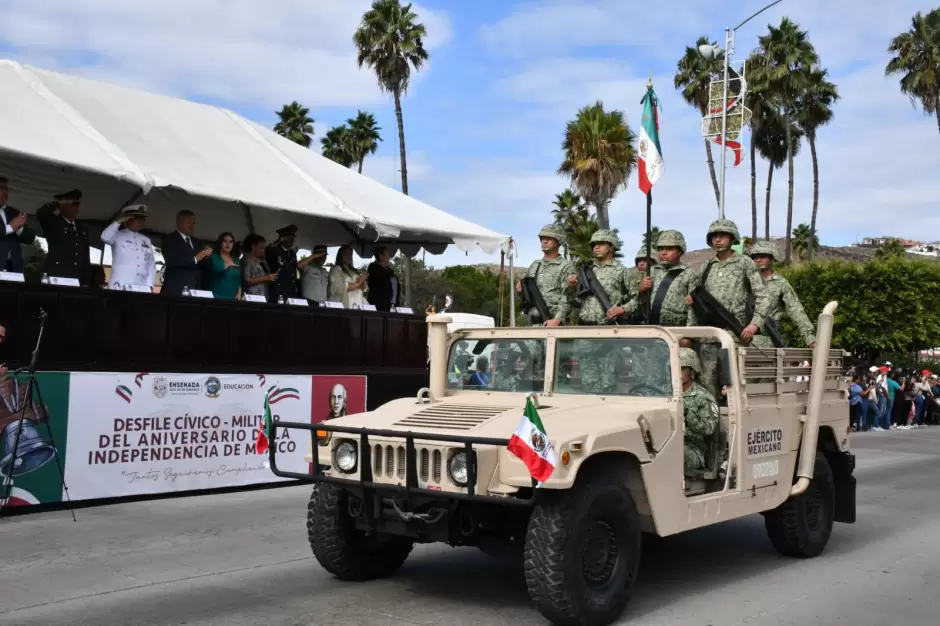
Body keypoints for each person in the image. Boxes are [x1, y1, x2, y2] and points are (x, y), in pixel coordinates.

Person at [693, 219, 771, 397]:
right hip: (709, 335)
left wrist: (754, 325)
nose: (717, 239)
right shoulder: (706, 267)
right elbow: (700, 300)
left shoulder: (744, 263)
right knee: (707, 384)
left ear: (732, 238)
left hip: (735, 334)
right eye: (714, 236)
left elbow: (762, 296)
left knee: (735, 383)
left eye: (722, 236)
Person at [576, 230, 636, 394]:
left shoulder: (621, 271)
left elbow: (637, 299)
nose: (596, 247)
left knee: (608, 382)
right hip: (586, 332)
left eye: (600, 244)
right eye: (594, 244)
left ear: (611, 247)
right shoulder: (586, 271)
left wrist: (622, 309)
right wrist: (571, 287)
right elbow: (575, 300)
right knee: (588, 382)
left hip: (608, 332)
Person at [747, 240, 816, 348]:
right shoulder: (746, 283)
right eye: (755, 257)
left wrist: (809, 338)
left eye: (763, 256)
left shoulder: (780, 283)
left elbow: (796, 310)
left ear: (771, 258)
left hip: (768, 338)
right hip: (744, 334)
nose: (758, 260)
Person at [515, 225, 577, 326]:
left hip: (554, 324)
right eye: (542, 239)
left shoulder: (565, 266)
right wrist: (520, 290)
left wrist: (558, 319)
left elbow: (568, 296)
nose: (544, 241)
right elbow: (527, 295)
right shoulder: (535, 265)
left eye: (549, 239)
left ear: (557, 241)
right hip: (533, 323)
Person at [36, 189, 91, 285]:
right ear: (62, 205)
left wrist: (86, 281)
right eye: (72, 203)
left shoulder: (82, 228)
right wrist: (59, 202)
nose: (76, 207)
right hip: (57, 277)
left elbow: (85, 257)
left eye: (77, 204)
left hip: (76, 279)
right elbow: (42, 212)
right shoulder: (54, 222)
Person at [679, 347, 719, 473]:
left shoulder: (703, 397)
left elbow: (708, 428)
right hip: (665, 443)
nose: (676, 372)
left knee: (673, 453)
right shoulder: (665, 393)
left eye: (681, 368)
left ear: (692, 372)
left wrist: (686, 413)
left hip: (692, 449)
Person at [100, 204, 156, 291]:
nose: (140, 222)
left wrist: (149, 285)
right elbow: (104, 237)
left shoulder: (146, 240)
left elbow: (151, 265)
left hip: (140, 286)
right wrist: (118, 222)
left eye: (142, 219)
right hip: (119, 286)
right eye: (137, 219)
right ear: (127, 219)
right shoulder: (117, 235)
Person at [161, 210, 211, 296]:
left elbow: (202, 266)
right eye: (189, 223)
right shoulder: (169, 240)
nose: (192, 226)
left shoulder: (197, 242)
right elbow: (173, 261)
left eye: (194, 223)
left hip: (195, 290)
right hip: (176, 290)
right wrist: (195, 259)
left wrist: (206, 257)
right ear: (179, 223)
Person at [0, 176, 37, 273]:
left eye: (6, 189)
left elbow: (30, 238)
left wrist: (19, 229)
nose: (5, 193)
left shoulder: (13, 212)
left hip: (14, 268)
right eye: (1, 189)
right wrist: (10, 227)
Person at [240, 234, 278, 299]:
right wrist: (266, 278)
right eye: (261, 248)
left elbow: (267, 278)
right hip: (252, 296)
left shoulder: (263, 261)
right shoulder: (247, 260)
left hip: (264, 296)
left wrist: (271, 277)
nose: (263, 251)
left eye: (264, 248)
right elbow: (247, 280)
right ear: (253, 246)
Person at [206, 232, 242, 299]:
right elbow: (218, 268)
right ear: (220, 243)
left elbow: (239, 278)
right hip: (216, 296)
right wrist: (229, 264)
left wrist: (240, 292)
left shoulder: (236, 260)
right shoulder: (214, 256)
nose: (228, 244)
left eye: (230, 242)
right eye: (225, 241)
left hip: (233, 298)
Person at [366, 246, 400, 312]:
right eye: (387, 254)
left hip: (392, 304)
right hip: (380, 305)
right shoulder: (374, 268)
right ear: (381, 256)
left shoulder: (389, 270)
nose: (389, 257)